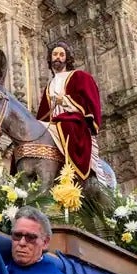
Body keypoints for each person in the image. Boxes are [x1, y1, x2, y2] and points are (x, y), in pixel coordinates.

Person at [36, 41, 103, 182]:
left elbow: (89, 102)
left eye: (61, 54)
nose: (58, 57)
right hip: (54, 125)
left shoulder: (79, 76)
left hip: (75, 122)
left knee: (67, 125)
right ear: (50, 58)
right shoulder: (49, 86)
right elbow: (43, 116)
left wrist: (64, 101)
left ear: (67, 58)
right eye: (55, 54)